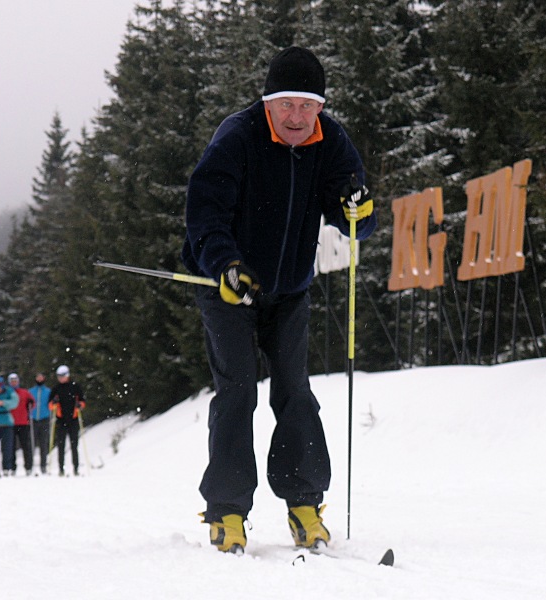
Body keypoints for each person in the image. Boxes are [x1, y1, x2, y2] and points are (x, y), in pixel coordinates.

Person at [181, 46, 376, 553]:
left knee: (294, 390)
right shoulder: (239, 136)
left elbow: (353, 209)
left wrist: (358, 208)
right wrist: (225, 264)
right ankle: (227, 510)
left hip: (288, 290)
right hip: (229, 287)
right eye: (287, 104)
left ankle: (304, 501)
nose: (296, 116)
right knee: (239, 388)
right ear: (268, 102)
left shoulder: (329, 140)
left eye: (307, 105)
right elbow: (204, 212)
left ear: (320, 108)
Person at [48, 365, 86, 476]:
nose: (60, 378)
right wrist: (54, 403)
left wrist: (80, 405)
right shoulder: (56, 389)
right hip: (61, 420)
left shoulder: (75, 387)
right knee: (61, 445)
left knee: (74, 445)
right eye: (59, 376)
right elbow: (50, 406)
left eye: (62, 376)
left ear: (67, 375)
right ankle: (61, 468)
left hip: (73, 419)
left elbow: (82, 401)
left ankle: (76, 467)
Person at [7, 373, 34, 475]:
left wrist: (30, 404)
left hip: (23, 422)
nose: (14, 383)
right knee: (11, 446)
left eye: (15, 381)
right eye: (12, 381)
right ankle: (12, 467)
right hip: (10, 423)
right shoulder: (7, 392)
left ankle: (28, 467)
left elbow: (32, 403)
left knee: (26, 445)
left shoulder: (24, 392)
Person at [28, 372, 52, 475]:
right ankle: (30, 465)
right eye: (38, 377)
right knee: (31, 443)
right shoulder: (31, 391)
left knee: (43, 443)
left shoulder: (48, 391)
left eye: (41, 377)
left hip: (44, 418)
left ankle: (43, 465)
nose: (39, 378)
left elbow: (51, 404)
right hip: (33, 419)